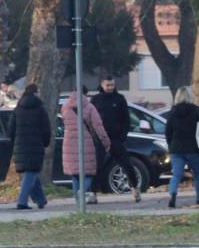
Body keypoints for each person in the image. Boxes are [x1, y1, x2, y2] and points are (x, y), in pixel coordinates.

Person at [92, 73, 142, 203]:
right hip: (100, 139)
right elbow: (91, 119)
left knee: (126, 164)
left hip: (116, 139)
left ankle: (135, 188)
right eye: (108, 85)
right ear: (102, 85)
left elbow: (126, 119)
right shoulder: (96, 99)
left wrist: (122, 136)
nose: (110, 87)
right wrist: (95, 136)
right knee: (97, 166)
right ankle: (93, 193)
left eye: (112, 85)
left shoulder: (119, 99)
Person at [60, 86, 111, 204]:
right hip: (86, 141)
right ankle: (82, 192)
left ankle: (78, 201)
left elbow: (64, 122)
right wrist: (105, 141)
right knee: (88, 173)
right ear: (86, 93)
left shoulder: (65, 107)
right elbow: (98, 126)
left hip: (69, 142)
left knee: (75, 174)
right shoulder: (89, 107)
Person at [164, 94, 199, 208]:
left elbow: (167, 132)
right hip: (194, 147)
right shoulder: (196, 110)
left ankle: (172, 194)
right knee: (198, 174)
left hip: (176, 148)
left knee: (176, 175)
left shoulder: (172, 112)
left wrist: (171, 146)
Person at [10, 83, 51, 210]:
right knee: (32, 172)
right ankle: (22, 201)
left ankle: (41, 199)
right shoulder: (40, 109)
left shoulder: (18, 109)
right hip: (36, 145)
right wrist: (46, 142)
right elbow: (46, 128)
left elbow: (11, 128)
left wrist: (14, 143)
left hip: (20, 146)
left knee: (32, 172)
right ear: (36, 92)